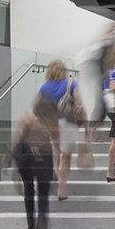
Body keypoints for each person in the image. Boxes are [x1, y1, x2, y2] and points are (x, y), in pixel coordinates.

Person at [5, 97, 60, 229]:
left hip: (39, 160)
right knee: (36, 193)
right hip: (32, 159)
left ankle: (36, 227)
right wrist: (7, 157)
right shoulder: (30, 119)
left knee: (35, 193)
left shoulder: (44, 120)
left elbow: (56, 140)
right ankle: (35, 227)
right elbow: (18, 138)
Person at [36, 60, 87, 197]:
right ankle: (61, 189)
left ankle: (57, 174)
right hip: (68, 122)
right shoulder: (71, 83)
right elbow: (79, 103)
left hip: (51, 123)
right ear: (64, 71)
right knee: (66, 156)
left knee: (56, 149)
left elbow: (39, 108)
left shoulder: (44, 87)